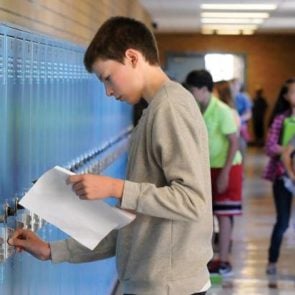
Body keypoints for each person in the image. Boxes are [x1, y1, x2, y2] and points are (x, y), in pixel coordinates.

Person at [9, 17, 213, 295]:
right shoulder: (154, 110)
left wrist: (116, 187)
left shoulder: (170, 108)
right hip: (154, 284)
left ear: (132, 58)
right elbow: (134, 227)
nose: (108, 91)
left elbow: (193, 201)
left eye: (108, 77)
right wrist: (51, 250)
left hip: (169, 287)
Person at [185, 70, 242, 276]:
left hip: (228, 167)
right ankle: (207, 259)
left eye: (192, 90)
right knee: (205, 214)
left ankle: (224, 260)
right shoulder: (198, 109)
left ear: (202, 89)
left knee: (224, 214)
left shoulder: (222, 110)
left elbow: (234, 142)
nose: (190, 94)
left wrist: (225, 173)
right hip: (206, 168)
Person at [263, 78, 295, 275]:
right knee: (282, 221)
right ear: (285, 96)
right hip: (282, 176)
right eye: (292, 92)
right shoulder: (281, 119)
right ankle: (272, 261)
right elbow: (269, 147)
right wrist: (287, 149)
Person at [230, 78, 252, 161]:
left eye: (236, 85)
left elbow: (249, 114)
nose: (234, 87)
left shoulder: (244, 98)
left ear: (240, 86)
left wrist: (238, 118)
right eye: (233, 84)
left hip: (241, 129)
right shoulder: (228, 97)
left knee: (241, 152)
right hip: (229, 128)